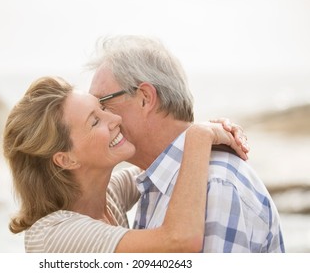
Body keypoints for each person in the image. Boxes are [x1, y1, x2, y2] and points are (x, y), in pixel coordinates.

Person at [3, 76, 248, 253]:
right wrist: (199, 135)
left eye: (102, 107)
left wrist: (213, 131)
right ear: (66, 159)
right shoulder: (56, 235)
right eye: (95, 121)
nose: (115, 119)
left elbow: (163, 164)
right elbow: (180, 241)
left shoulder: (108, 196)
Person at [87, 35, 285, 252]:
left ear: (145, 97)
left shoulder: (215, 184)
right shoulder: (158, 177)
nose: (101, 117)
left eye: (103, 104)